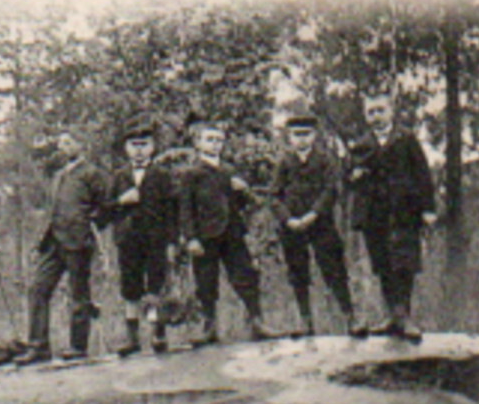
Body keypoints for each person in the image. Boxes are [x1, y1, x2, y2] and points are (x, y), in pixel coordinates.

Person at [348, 92, 437, 341]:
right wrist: (354, 176)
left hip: (404, 211)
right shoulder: (362, 144)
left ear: (391, 111)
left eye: (380, 110)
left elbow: (423, 175)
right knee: (383, 264)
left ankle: (404, 316)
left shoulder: (406, 139)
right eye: (371, 112)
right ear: (366, 115)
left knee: (404, 263)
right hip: (374, 214)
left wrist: (428, 209)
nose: (376, 116)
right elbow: (348, 177)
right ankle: (393, 317)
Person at [179, 121, 273, 346]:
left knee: (245, 276)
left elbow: (243, 204)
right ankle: (209, 327)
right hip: (205, 236)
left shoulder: (229, 170)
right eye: (209, 140)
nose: (215, 144)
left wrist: (243, 191)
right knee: (206, 282)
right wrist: (191, 237)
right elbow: (185, 208)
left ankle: (257, 321)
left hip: (232, 233)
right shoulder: (191, 174)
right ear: (198, 143)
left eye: (219, 140)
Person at [18, 131, 108, 364]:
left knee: (79, 293)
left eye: (69, 142)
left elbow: (104, 207)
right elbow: (52, 208)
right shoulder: (58, 176)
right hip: (54, 241)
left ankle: (78, 346)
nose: (64, 147)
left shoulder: (92, 174)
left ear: (81, 144)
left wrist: (88, 226)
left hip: (78, 242)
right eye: (61, 144)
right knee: (38, 288)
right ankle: (38, 347)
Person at [272, 113, 358, 338]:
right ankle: (306, 322)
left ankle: (350, 318)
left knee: (335, 270)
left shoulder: (325, 160)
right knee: (298, 273)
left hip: (321, 225)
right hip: (292, 227)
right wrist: (288, 218)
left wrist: (313, 214)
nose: (301, 139)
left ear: (314, 135)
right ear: (289, 137)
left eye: (306, 134)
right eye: (296, 135)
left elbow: (331, 190)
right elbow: (274, 196)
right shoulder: (284, 162)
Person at [104, 118, 178, 356]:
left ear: (152, 147)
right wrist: (120, 201)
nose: (139, 149)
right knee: (130, 288)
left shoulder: (162, 175)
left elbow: (171, 212)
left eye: (144, 144)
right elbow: (104, 212)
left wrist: (172, 242)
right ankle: (132, 338)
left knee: (155, 285)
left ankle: (158, 334)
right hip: (127, 240)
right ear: (126, 148)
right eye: (134, 144)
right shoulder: (118, 177)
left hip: (155, 239)